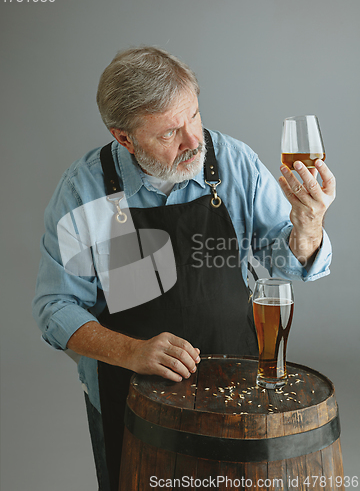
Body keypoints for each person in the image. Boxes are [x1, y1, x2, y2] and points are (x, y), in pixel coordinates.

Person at [32, 46, 336, 491]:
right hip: (133, 398)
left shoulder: (234, 160)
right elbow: (54, 307)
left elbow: (282, 260)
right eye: (171, 132)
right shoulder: (84, 191)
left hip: (240, 387)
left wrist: (308, 225)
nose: (194, 139)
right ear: (124, 138)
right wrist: (131, 351)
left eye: (194, 115)